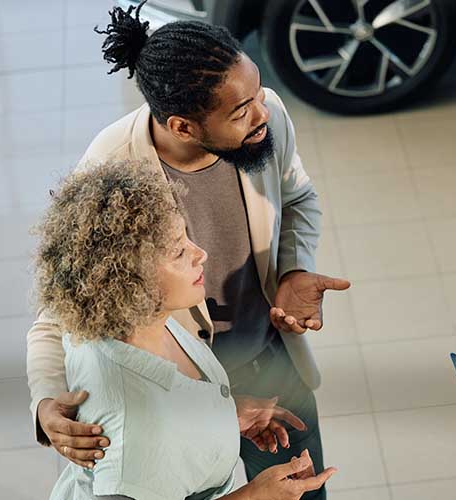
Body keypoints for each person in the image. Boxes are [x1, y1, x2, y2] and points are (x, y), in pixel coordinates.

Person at [26, 4, 349, 498]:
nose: (262, 113)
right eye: (240, 112)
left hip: (270, 362)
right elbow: (63, 309)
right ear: (182, 127)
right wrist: (47, 402)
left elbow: (299, 196)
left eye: (257, 92)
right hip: (175, 383)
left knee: (300, 490)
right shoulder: (111, 168)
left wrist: (294, 269)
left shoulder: (267, 116)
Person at [37, 161, 336, 499]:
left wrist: (220, 416)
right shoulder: (138, 428)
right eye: (179, 251)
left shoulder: (125, 324)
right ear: (128, 281)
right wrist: (253, 496)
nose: (201, 254)